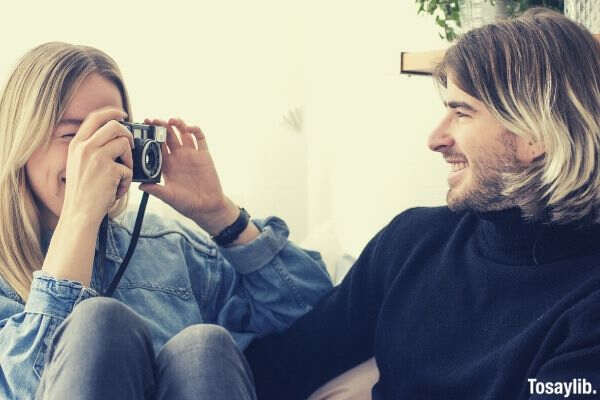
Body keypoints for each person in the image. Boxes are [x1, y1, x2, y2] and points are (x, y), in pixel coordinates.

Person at [241, 8, 600, 400]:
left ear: (536, 133)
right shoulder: (413, 242)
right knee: (199, 348)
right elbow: (281, 367)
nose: (436, 139)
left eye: (461, 112)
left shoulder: (587, 309)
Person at [0, 42, 333, 399]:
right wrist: (79, 217)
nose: (93, 152)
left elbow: (314, 318)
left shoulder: (169, 247)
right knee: (99, 324)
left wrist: (220, 214)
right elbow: (30, 387)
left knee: (203, 347)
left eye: (112, 131)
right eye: (71, 135)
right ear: (21, 142)